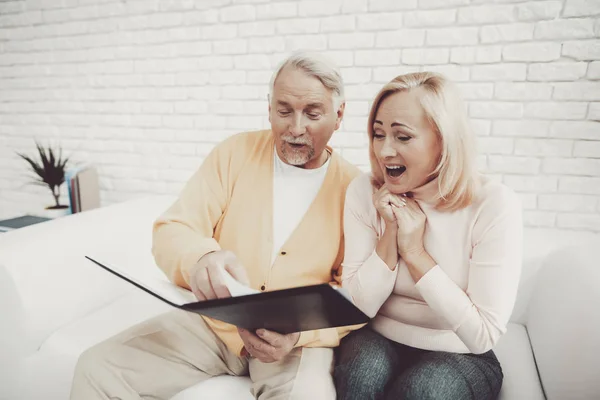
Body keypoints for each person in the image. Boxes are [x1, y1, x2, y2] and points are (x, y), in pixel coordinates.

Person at [70, 51, 361, 400]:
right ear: (269, 107)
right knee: (97, 368)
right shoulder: (234, 152)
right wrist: (201, 258)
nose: (296, 127)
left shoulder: (355, 190)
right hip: (214, 326)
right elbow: (173, 227)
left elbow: (357, 294)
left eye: (312, 113)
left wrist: (300, 336)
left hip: (297, 340)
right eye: (284, 111)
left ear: (339, 114)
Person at [334, 72, 522, 400]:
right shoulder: (365, 191)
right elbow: (357, 309)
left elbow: (482, 335)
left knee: (423, 392)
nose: (384, 151)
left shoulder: (492, 204)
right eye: (378, 135)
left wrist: (416, 252)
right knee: (360, 376)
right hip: (377, 336)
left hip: (461, 351)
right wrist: (390, 230)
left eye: (402, 137)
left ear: (444, 139)